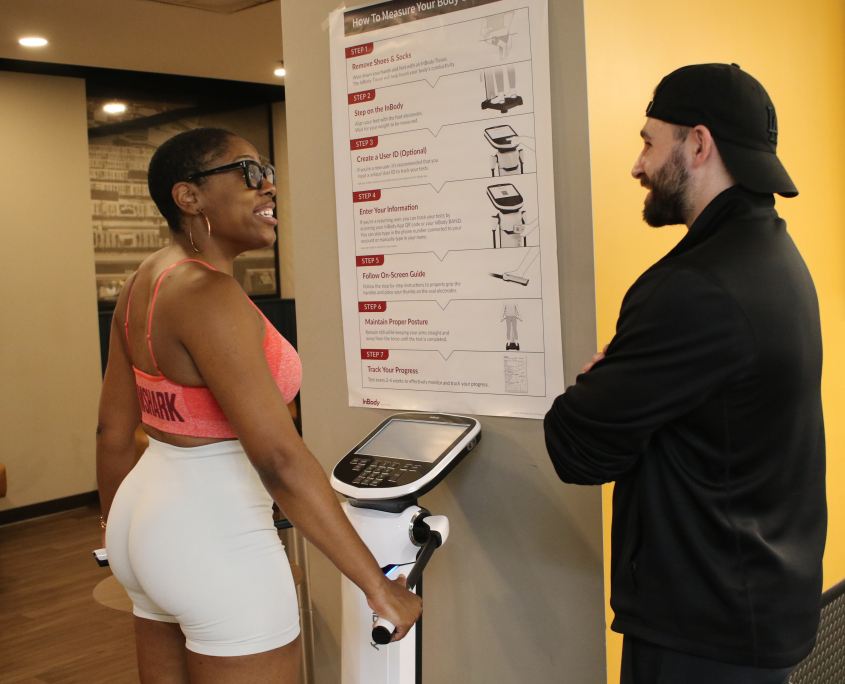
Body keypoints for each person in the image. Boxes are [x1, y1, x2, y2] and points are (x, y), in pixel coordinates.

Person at [96, 127, 422, 684]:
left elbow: (111, 428)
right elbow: (279, 458)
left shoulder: (143, 281)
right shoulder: (208, 295)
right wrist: (378, 585)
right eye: (249, 173)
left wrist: (120, 535)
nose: (268, 187)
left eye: (268, 172)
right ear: (189, 196)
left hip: (142, 517)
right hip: (210, 529)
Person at [544, 64, 825, 683]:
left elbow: (575, 448)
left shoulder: (695, 288)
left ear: (697, 144)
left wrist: (609, 383)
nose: (638, 166)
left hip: (703, 636)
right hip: (752, 608)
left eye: (649, 141)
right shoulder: (775, 255)